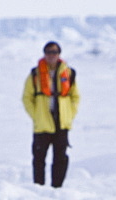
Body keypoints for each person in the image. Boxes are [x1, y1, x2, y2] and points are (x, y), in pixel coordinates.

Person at [22, 41, 80, 188]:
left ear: (59, 54)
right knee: (39, 157)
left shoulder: (69, 73)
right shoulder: (35, 74)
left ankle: (57, 187)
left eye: (54, 52)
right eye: (48, 52)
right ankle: (39, 186)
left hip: (62, 123)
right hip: (42, 123)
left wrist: (69, 114)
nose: (51, 55)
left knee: (60, 157)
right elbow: (27, 98)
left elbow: (75, 97)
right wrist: (36, 115)